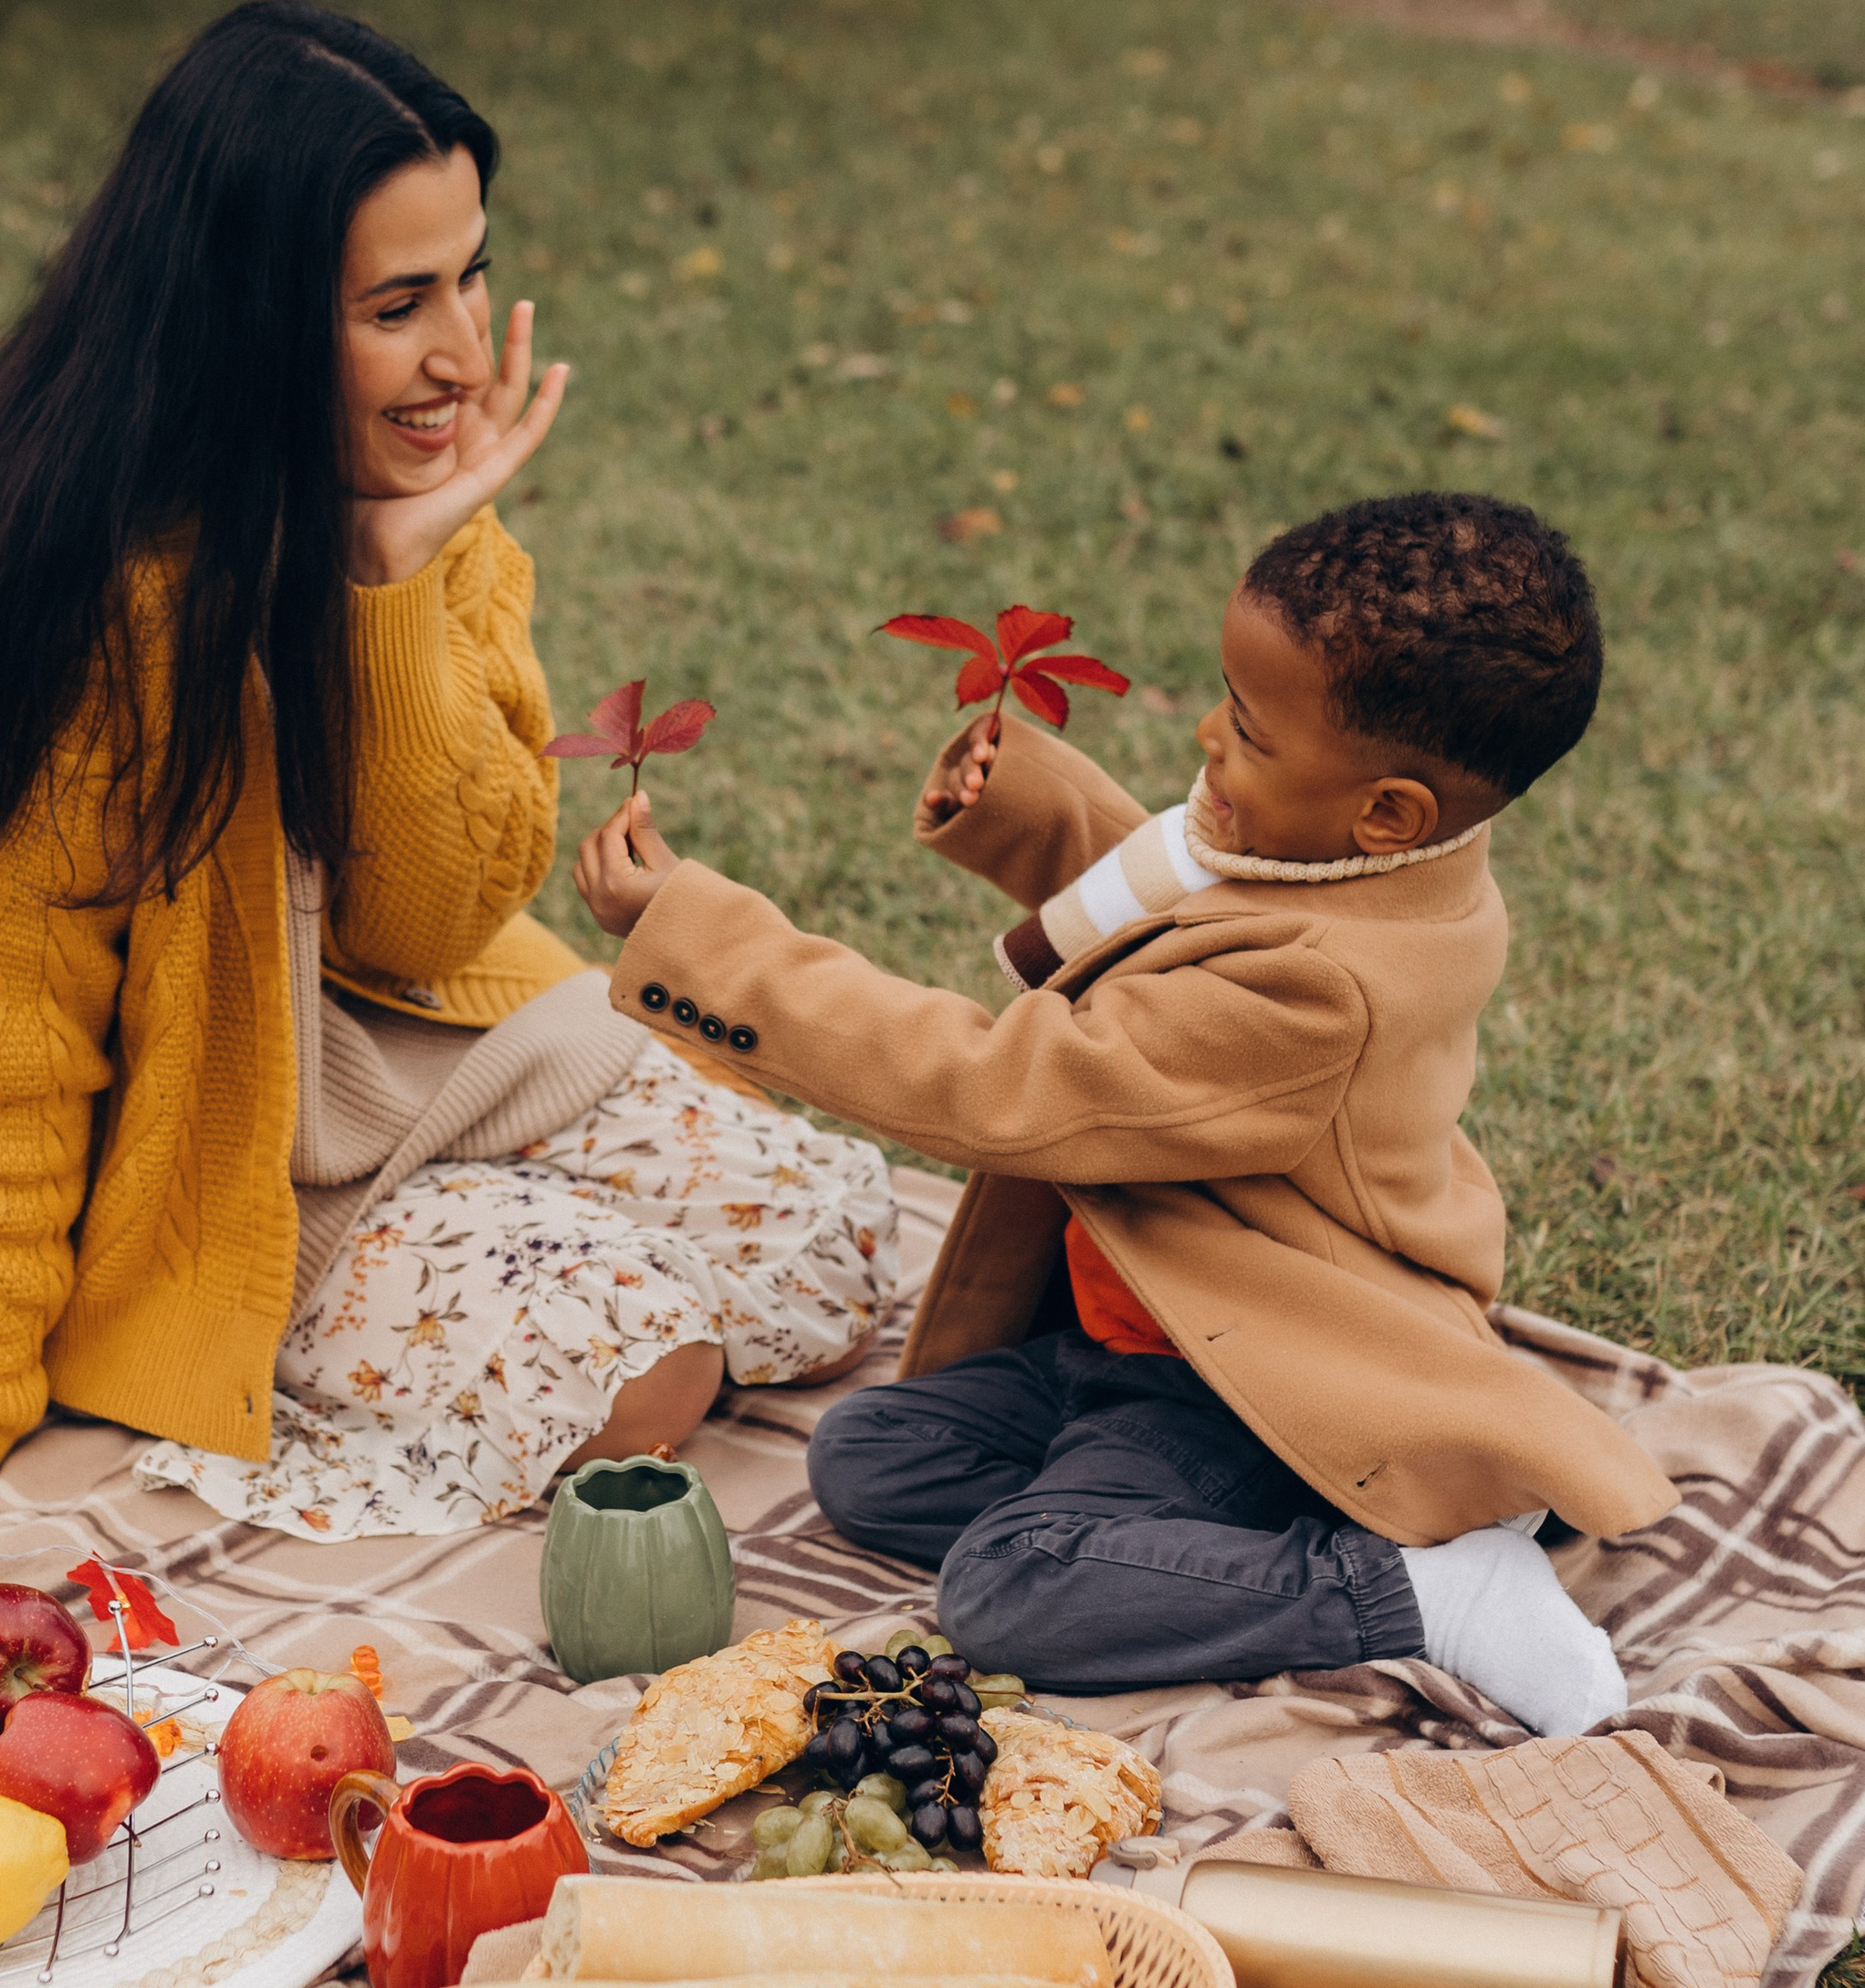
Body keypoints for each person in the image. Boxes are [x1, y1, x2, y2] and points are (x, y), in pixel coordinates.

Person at [0, 0, 892, 1548]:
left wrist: (387, 592)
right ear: (248, 320)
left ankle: (520, 1237)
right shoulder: (54, 619)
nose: (463, 355)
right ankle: (465, 1276)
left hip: (426, 1048)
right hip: (215, 1170)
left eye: (471, 274)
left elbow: (435, 922)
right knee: (648, 1368)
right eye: (398, 304)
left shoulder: (408, 492)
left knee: (836, 1240)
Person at [572, 493, 1677, 1738]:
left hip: (1239, 1380)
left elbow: (993, 1084)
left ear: (1386, 811)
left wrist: (705, 944)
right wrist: (1026, 805)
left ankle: (1417, 1590)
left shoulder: (1319, 994)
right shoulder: (1371, 867)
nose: (1207, 737)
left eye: (1247, 731)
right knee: (870, 1457)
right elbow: (1188, 894)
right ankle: (1202, 1530)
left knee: (1009, 1590)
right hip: (1134, 1340)